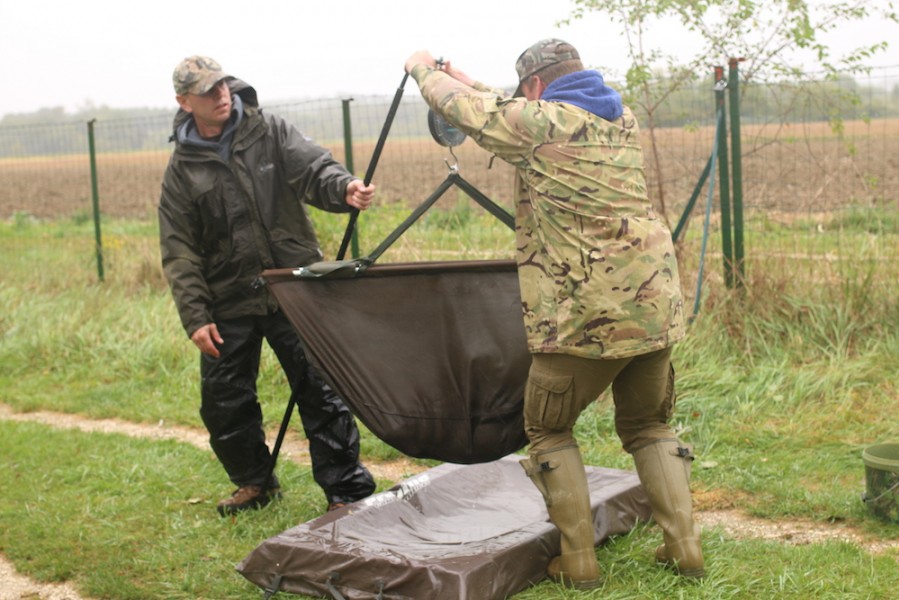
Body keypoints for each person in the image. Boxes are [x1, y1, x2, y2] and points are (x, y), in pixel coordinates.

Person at [404, 40, 703, 587]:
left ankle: (579, 561)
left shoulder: (540, 126)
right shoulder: (621, 117)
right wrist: (475, 81)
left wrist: (421, 68)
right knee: (649, 425)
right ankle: (685, 548)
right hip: (654, 307)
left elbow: (469, 111)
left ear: (535, 88)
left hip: (585, 318)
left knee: (548, 429)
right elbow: (509, 110)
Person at [159, 55, 377, 517]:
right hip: (228, 299)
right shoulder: (182, 169)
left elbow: (314, 169)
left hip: (292, 286)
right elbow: (179, 249)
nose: (221, 94)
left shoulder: (268, 131)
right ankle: (255, 483)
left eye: (223, 84)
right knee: (224, 401)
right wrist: (196, 317)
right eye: (207, 91)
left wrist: (344, 189)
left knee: (319, 389)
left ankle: (346, 492)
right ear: (184, 102)